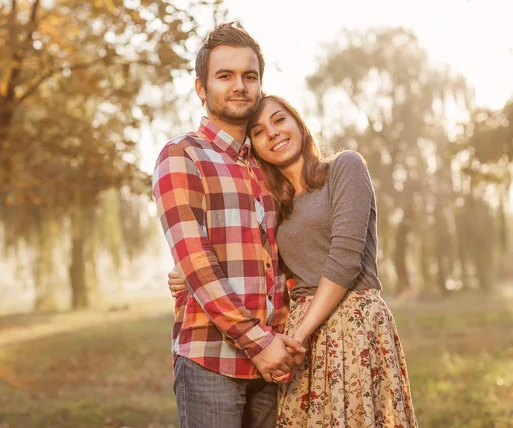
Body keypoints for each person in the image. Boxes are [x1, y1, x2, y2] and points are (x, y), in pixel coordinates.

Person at [169, 94, 418, 427]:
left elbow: (345, 261)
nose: (272, 132)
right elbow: (258, 259)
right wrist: (187, 270)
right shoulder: (275, 203)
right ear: (253, 146)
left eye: (279, 119)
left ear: (299, 123)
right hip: (297, 337)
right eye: (258, 131)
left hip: (350, 325)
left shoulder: (344, 168)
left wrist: (295, 339)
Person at [152, 23, 305, 428]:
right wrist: (259, 344)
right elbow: (197, 263)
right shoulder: (182, 156)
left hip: (276, 365)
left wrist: (281, 343)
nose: (240, 85)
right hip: (210, 364)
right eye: (225, 76)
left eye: (249, 76)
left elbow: (289, 253)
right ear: (201, 88)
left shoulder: (269, 165)